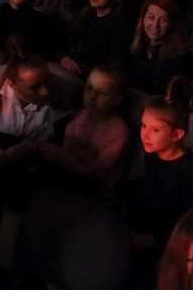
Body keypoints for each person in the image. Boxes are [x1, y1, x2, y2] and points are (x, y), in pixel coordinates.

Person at [131, 91, 193, 256]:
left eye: (155, 130)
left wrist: (154, 239)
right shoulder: (152, 151)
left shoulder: (190, 174)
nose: (145, 135)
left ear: (176, 134)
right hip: (146, 220)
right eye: (144, 125)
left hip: (168, 238)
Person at [33, 65, 130, 200]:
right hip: (72, 174)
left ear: (116, 100)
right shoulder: (81, 116)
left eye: (102, 93)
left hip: (97, 190)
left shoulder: (118, 133)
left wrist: (62, 157)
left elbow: (94, 175)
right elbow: (66, 151)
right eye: (89, 88)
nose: (92, 97)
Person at [60, 0, 132, 76]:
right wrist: (63, 58)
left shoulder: (121, 25)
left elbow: (114, 64)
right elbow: (62, 41)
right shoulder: (83, 15)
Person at [127, 0, 193, 95]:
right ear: (143, 19)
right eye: (151, 18)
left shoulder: (181, 59)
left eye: (164, 20)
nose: (156, 25)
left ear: (172, 24)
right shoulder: (134, 51)